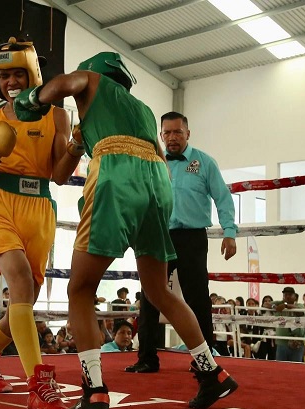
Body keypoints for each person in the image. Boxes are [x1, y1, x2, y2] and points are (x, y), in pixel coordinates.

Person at [14, 51, 238, 409]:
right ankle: (213, 374)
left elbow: (64, 84)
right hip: (159, 186)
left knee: (80, 289)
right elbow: (60, 174)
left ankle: (95, 389)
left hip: (116, 176)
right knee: (159, 291)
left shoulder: (92, 81)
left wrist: (31, 99)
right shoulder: (142, 111)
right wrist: (76, 140)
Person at [0, 37, 80, 409]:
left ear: (32, 75)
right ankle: (39, 384)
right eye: (4, 76)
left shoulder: (56, 116)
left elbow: (60, 175)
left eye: (18, 74)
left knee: (25, 300)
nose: (11, 82)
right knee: (17, 281)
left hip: (40, 207)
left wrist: (77, 145)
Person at [128, 111, 238, 373]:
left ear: (188, 133)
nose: (172, 137)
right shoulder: (151, 162)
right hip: (158, 235)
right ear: (161, 135)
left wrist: (229, 232)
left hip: (192, 237)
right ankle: (147, 358)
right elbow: (139, 197)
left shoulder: (204, 162)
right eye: (167, 132)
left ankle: (204, 361)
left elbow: (223, 198)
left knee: (197, 297)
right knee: (150, 296)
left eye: (177, 132)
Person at [271, 287, 305, 362]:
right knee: (280, 367)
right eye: (285, 294)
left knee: (295, 367)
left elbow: (301, 312)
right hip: (282, 343)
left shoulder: (300, 305)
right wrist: (274, 307)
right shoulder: (279, 304)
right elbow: (265, 304)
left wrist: (286, 306)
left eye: (290, 294)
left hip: (297, 343)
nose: (287, 296)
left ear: (295, 296)